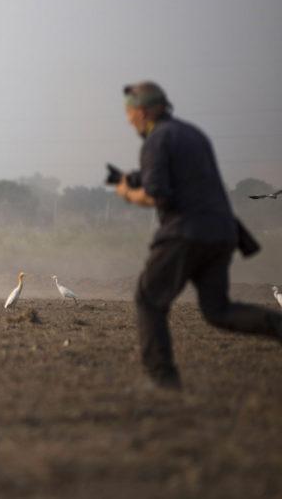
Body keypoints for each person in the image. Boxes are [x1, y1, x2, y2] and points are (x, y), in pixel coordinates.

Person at [115, 81, 282, 390]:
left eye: (129, 114)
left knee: (149, 298)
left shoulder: (156, 140)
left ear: (142, 110)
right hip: (222, 233)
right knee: (218, 310)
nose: (128, 121)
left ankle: (162, 381)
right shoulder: (194, 134)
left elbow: (156, 195)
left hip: (186, 232)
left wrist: (126, 192)